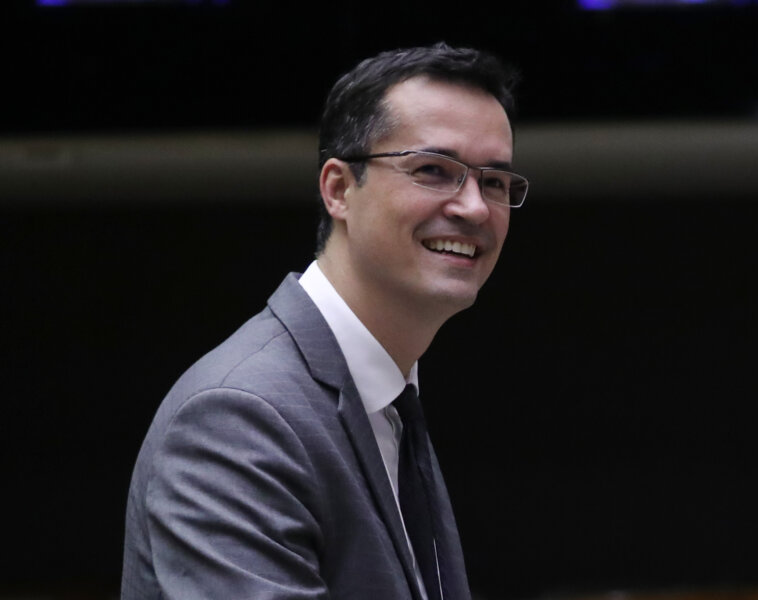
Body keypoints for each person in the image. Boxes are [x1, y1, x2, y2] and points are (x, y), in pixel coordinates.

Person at [120, 42, 527, 600]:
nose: (476, 208)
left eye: (495, 182)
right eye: (434, 170)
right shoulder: (238, 415)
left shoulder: (389, 402)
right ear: (339, 189)